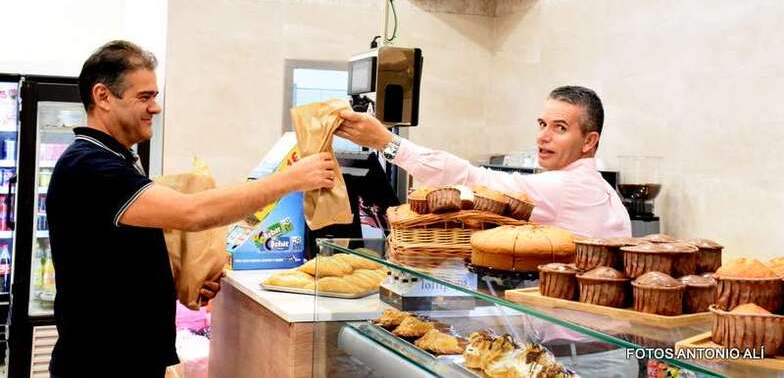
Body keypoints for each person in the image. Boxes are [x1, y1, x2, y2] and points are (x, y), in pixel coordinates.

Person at [47, 41, 336, 378]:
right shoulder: (90, 166)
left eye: (155, 96)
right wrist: (290, 180)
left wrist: (177, 282)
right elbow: (193, 212)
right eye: (144, 97)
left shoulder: (113, 159)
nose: (155, 107)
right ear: (103, 96)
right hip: (99, 364)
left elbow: (109, 261)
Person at [336, 85, 631, 239]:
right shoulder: (603, 191)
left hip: (572, 338)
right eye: (542, 124)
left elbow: (473, 181)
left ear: (589, 141)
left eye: (560, 128)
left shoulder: (566, 187)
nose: (543, 136)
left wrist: (388, 143)